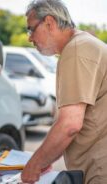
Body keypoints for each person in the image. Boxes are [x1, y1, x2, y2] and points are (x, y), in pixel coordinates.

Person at [21, 0, 107, 183]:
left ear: (49, 23)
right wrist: (47, 156)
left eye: (31, 29)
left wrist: (34, 164)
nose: (29, 38)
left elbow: (70, 124)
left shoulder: (76, 50)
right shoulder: (82, 45)